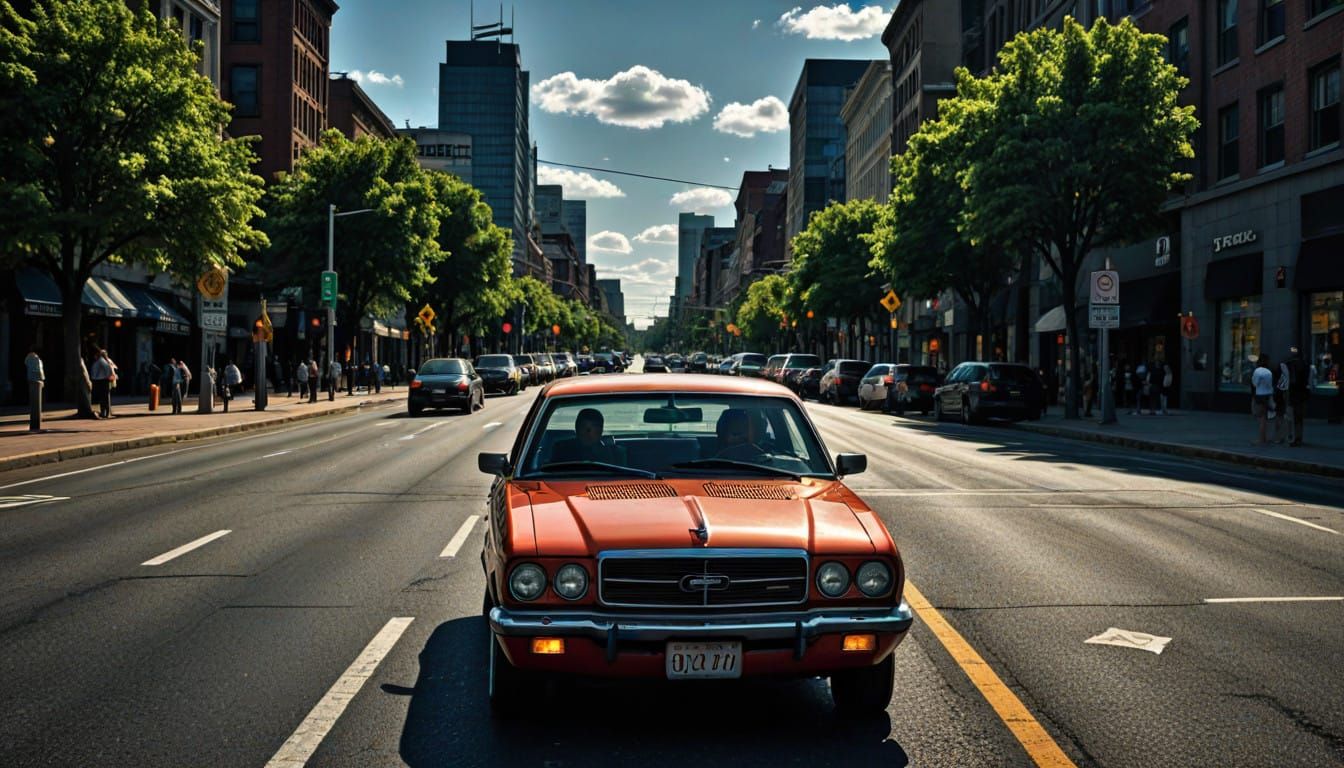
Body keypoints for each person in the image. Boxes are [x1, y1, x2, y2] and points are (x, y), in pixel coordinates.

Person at [550, 408, 625, 464]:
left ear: (601, 430)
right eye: (583, 427)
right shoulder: (562, 450)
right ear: (577, 428)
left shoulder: (615, 453)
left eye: (593, 428)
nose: (588, 432)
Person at [1282, 346, 1310, 447]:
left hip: (1293, 393)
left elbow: (1288, 381)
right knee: (1299, 417)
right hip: (1302, 394)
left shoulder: (1289, 365)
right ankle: (1299, 437)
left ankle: (1292, 437)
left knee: (1291, 417)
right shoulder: (1304, 364)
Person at [1250, 355, 1274, 445]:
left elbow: (1254, 383)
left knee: (1261, 418)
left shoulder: (1258, 371)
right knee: (1264, 418)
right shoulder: (1269, 372)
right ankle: (1264, 438)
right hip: (1267, 395)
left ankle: (1261, 439)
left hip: (1259, 395)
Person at [89, 348, 116, 419]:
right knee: (103, 397)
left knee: (104, 397)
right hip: (101, 381)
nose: (94, 356)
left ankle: (105, 413)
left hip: (102, 381)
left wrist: (108, 377)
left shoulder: (101, 360)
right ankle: (104, 412)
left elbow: (108, 369)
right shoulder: (100, 360)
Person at [25, 347, 44, 432]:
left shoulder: (28, 358)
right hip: (36, 379)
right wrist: (42, 379)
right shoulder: (35, 358)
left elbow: (26, 363)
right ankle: (35, 424)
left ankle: (35, 424)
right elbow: (38, 370)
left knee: (35, 402)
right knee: (36, 402)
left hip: (31, 379)